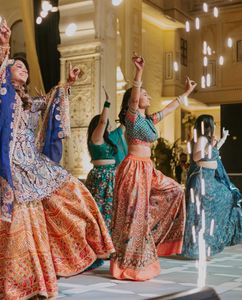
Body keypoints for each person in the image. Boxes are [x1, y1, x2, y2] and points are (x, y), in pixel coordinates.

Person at [0, 20, 114, 299]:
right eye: (17, 65)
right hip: (11, 166)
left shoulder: (28, 101)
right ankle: (24, 281)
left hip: (34, 165)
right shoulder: (4, 95)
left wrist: (66, 85)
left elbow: (50, 104)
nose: (23, 69)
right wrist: (3, 46)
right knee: (21, 223)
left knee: (73, 191)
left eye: (24, 67)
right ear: (7, 73)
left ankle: (59, 261)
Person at [111, 53, 196, 281]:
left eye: (146, 94)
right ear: (135, 99)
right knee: (133, 215)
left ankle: (149, 239)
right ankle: (127, 264)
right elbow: (134, 96)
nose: (147, 96)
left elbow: (168, 110)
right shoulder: (132, 118)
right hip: (133, 170)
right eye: (143, 94)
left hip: (148, 170)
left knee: (177, 190)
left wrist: (186, 94)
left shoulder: (148, 121)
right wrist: (139, 72)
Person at [181, 115, 242, 258]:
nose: (215, 125)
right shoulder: (202, 139)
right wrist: (210, 145)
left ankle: (207, 245)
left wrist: (222, 140)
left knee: (225, 200)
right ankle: (198, 249)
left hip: (209, 180)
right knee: (203, 215)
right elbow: (197, 157)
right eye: (213, 123)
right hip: (203, 180)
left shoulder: (207, 141)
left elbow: (213, 152)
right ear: (208, 125)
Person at [84, 88, 128, 270]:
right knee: (100, 214)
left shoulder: (109, 140)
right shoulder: (96, 137)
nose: (107, 127)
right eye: (105, 125)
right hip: (100, 178)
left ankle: (109, 248)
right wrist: (107, 103)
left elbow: (124, 125)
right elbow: (102, 121)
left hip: (112, 178)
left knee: (111, 216)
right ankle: (96, 249)